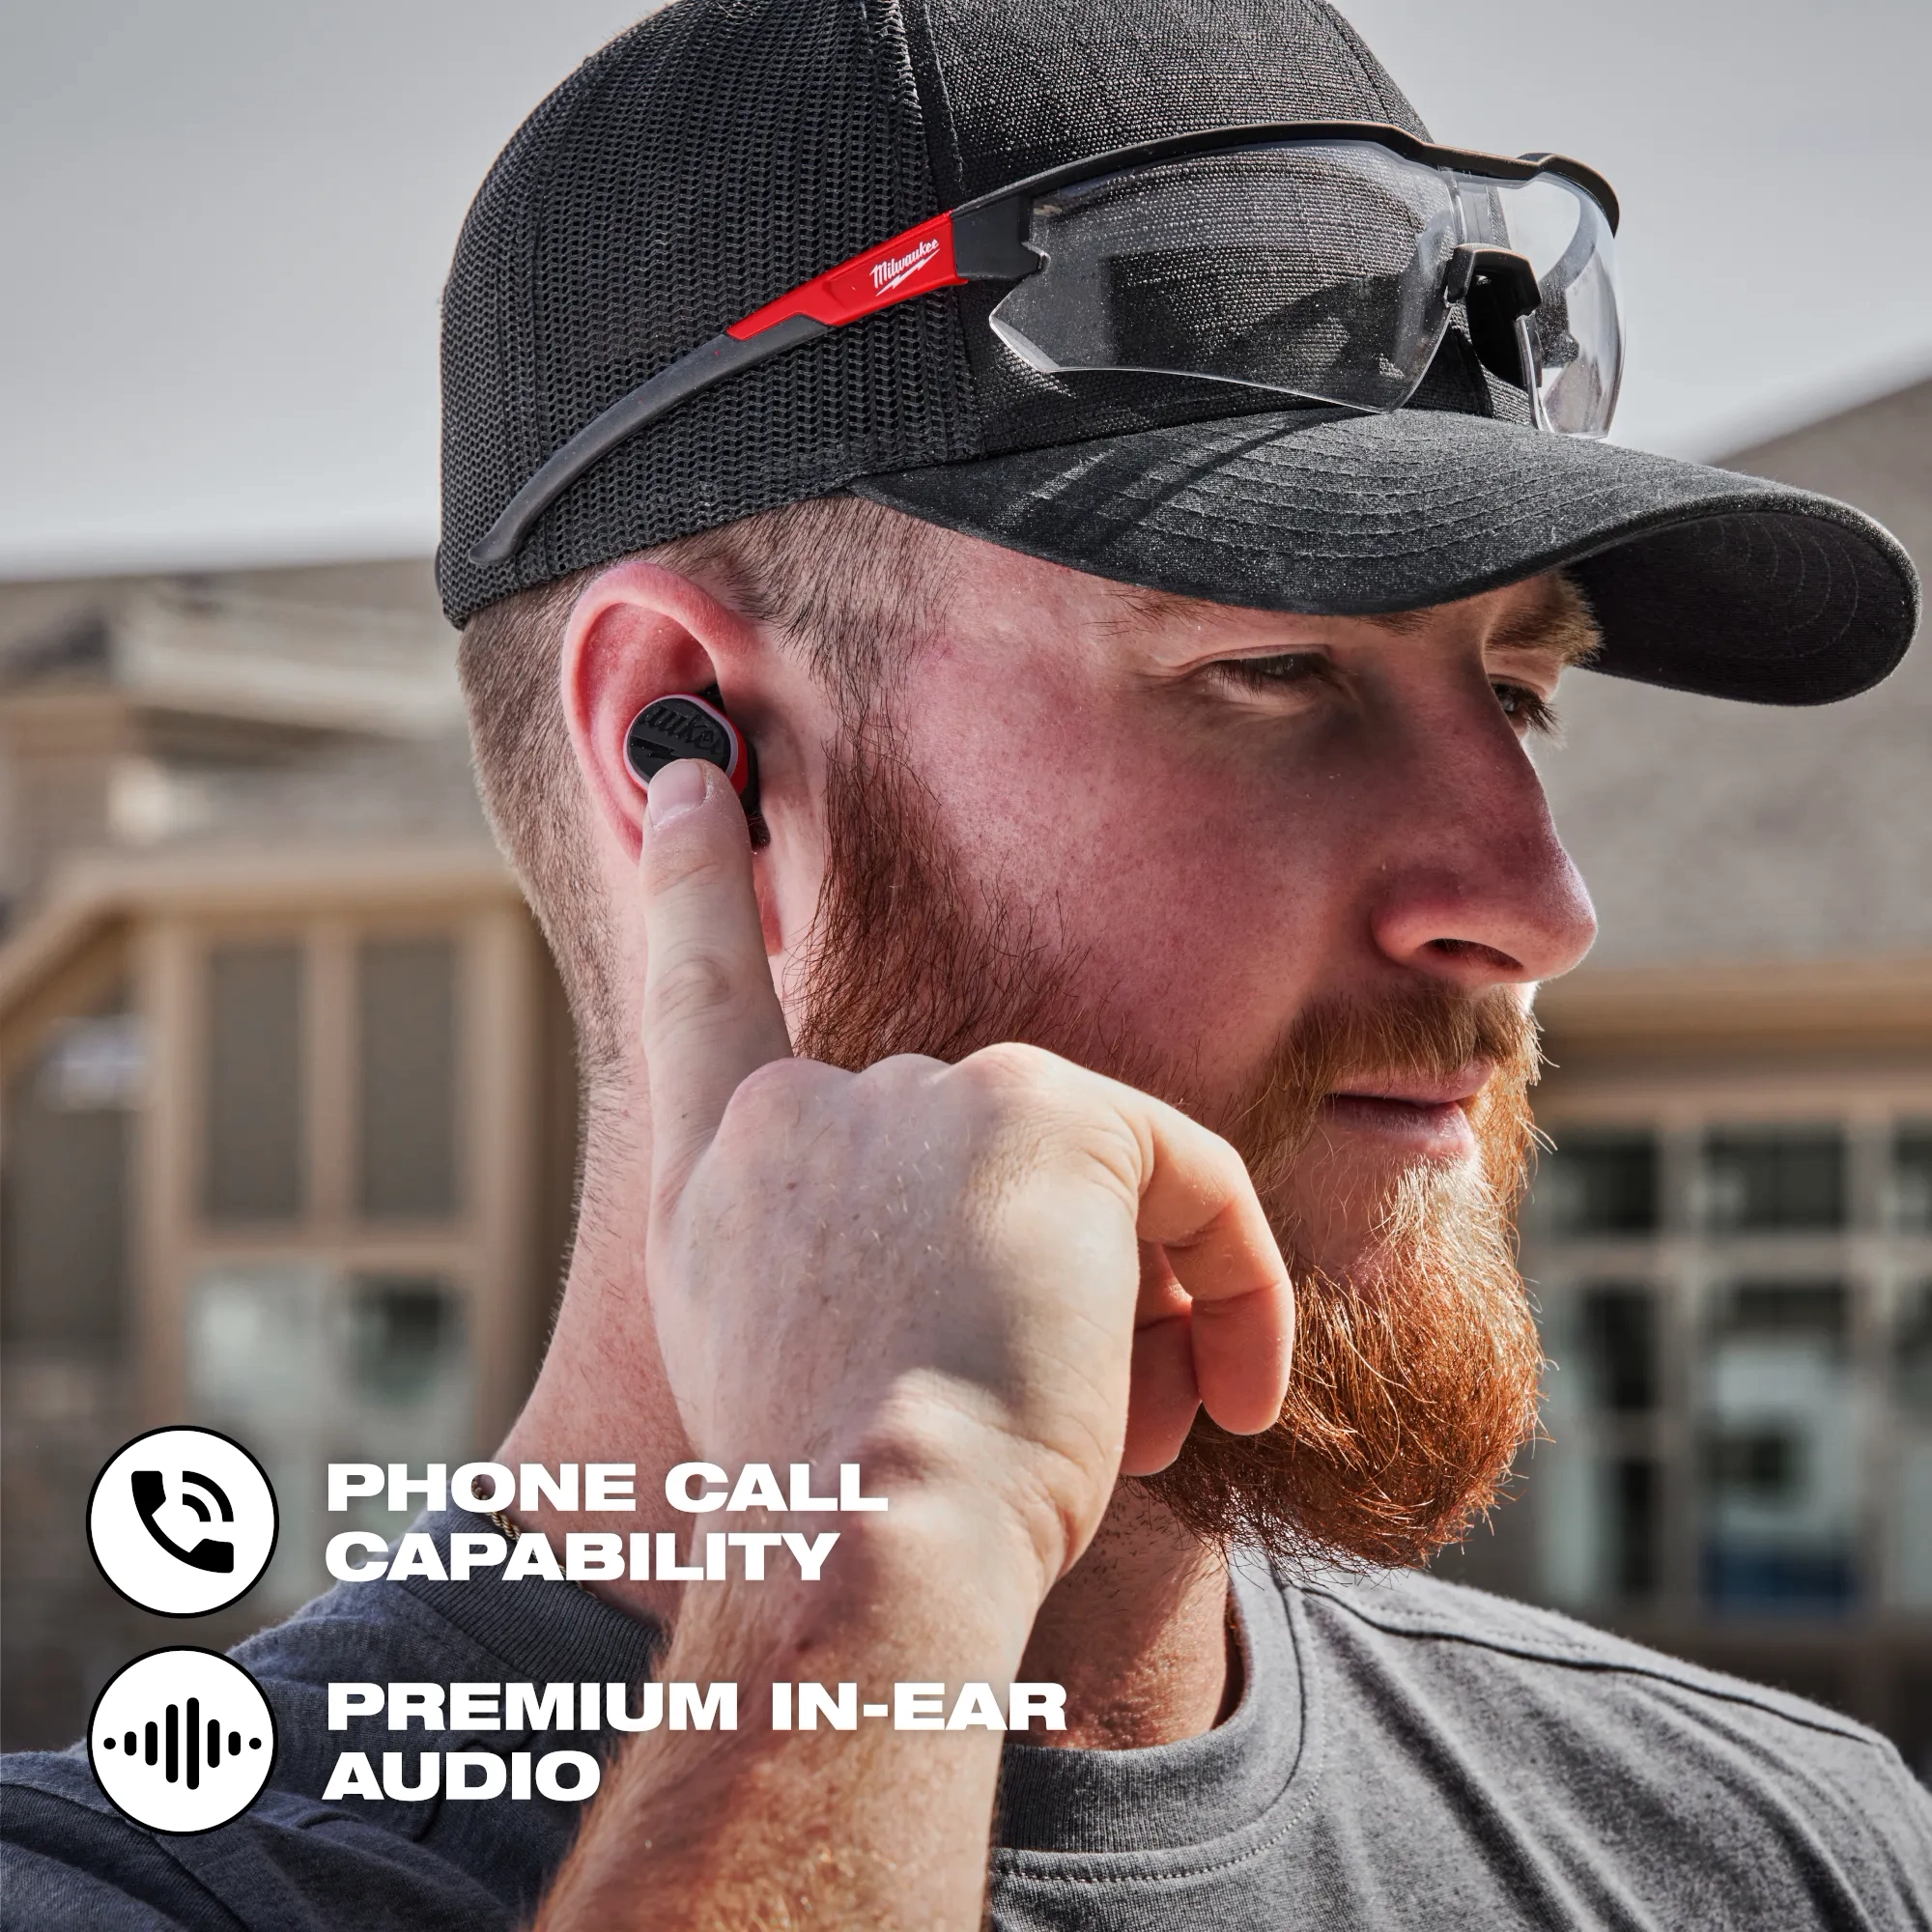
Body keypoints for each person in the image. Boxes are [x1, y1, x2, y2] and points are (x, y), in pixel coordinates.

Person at [6, 0, 1929, 1924]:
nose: (1535, 897)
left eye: (1517, 687)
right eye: (1273, 671)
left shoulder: (1779, 1859)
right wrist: (879, 1524)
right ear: (694, 747)